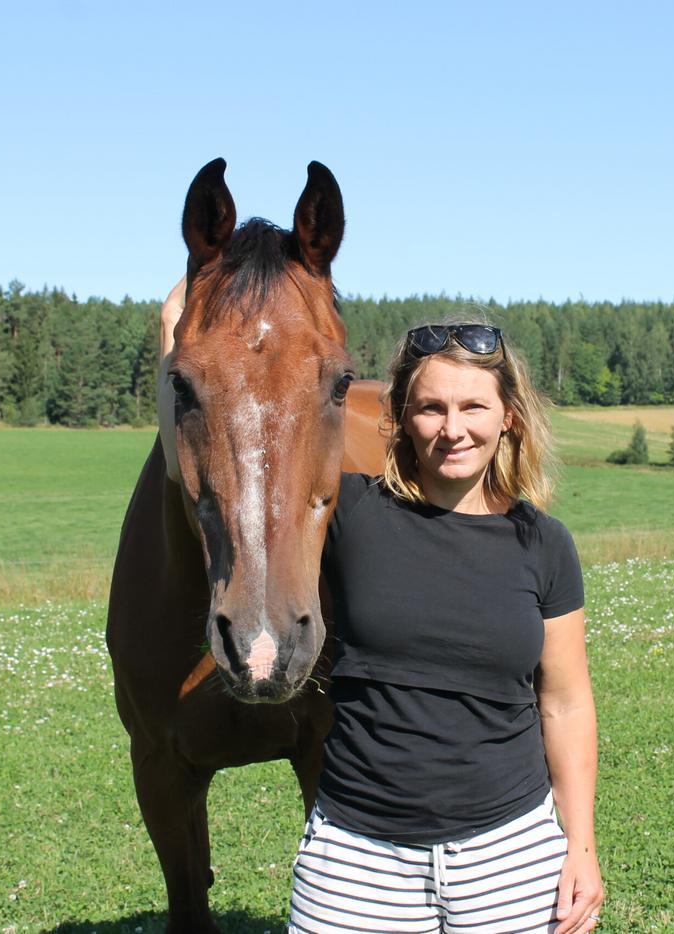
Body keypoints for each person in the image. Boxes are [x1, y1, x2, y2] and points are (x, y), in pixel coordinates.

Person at [158, 283, 603, 933]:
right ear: (401, 416)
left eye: (473, 407)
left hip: (510, 854)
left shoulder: (545, 545)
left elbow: (565, 703)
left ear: (509, 414)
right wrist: (173, 339)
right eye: (431, 408)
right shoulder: (352, 513)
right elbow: (197, 466)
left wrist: (580, 846)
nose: (453, 429)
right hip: (357, 860)